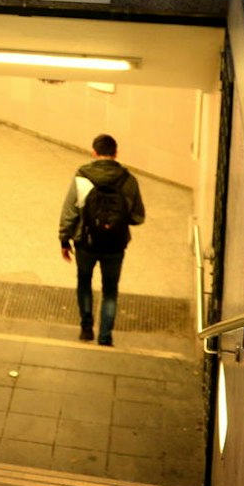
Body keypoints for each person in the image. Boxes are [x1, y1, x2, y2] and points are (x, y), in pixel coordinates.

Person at [59, 134, 146, 347]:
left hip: (85, 242)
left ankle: (86, 329)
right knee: (110, 290)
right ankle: (105, 337)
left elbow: (69, 212)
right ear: (116, 153)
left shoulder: (82, 177)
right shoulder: (128, 180)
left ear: (94, 153)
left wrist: (64, 239)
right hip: (115, 245)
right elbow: (138, 216)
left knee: (84, 281)